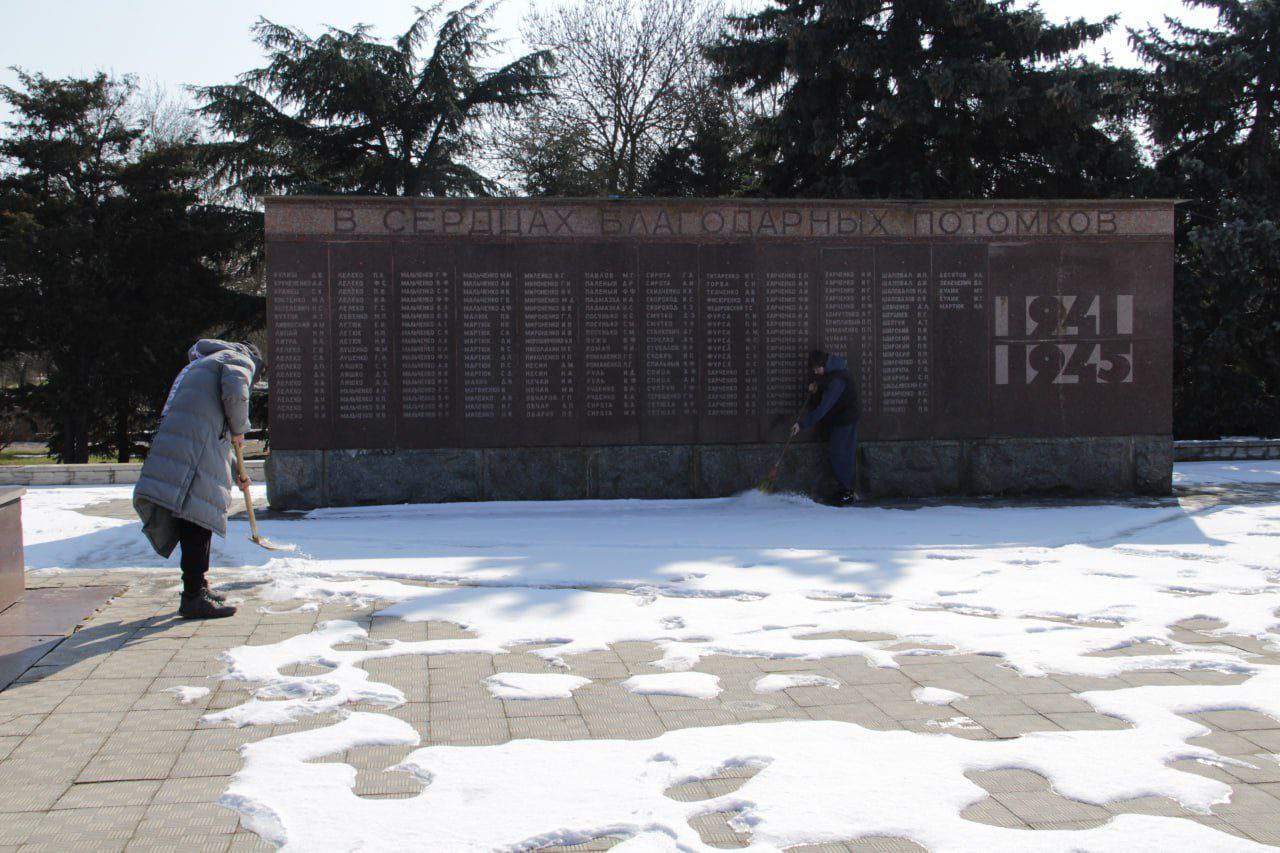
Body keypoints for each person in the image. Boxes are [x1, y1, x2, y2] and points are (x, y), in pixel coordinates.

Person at [134, 340, 264, 619]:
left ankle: (198, 586)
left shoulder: (202, 364)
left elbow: (207, 430)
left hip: (182, 448)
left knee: (191, 518)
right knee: (198, 520)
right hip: (191, 454)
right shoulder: (237, 360)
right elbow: (237, 396)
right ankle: (193, 597)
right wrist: (240, 429)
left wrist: (235, 471)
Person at [791, 349, 859, 506]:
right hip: (840, 418)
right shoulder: (833, 371)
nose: (815, 373)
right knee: (840, 454)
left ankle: (847, 492)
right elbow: (824, 393)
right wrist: (816, 390)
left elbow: (823, 408)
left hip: (845, 420)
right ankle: (844, 489)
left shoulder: (837, 380)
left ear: (823, 365)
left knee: (840, 454)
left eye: (816, 369)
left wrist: (802, 424)